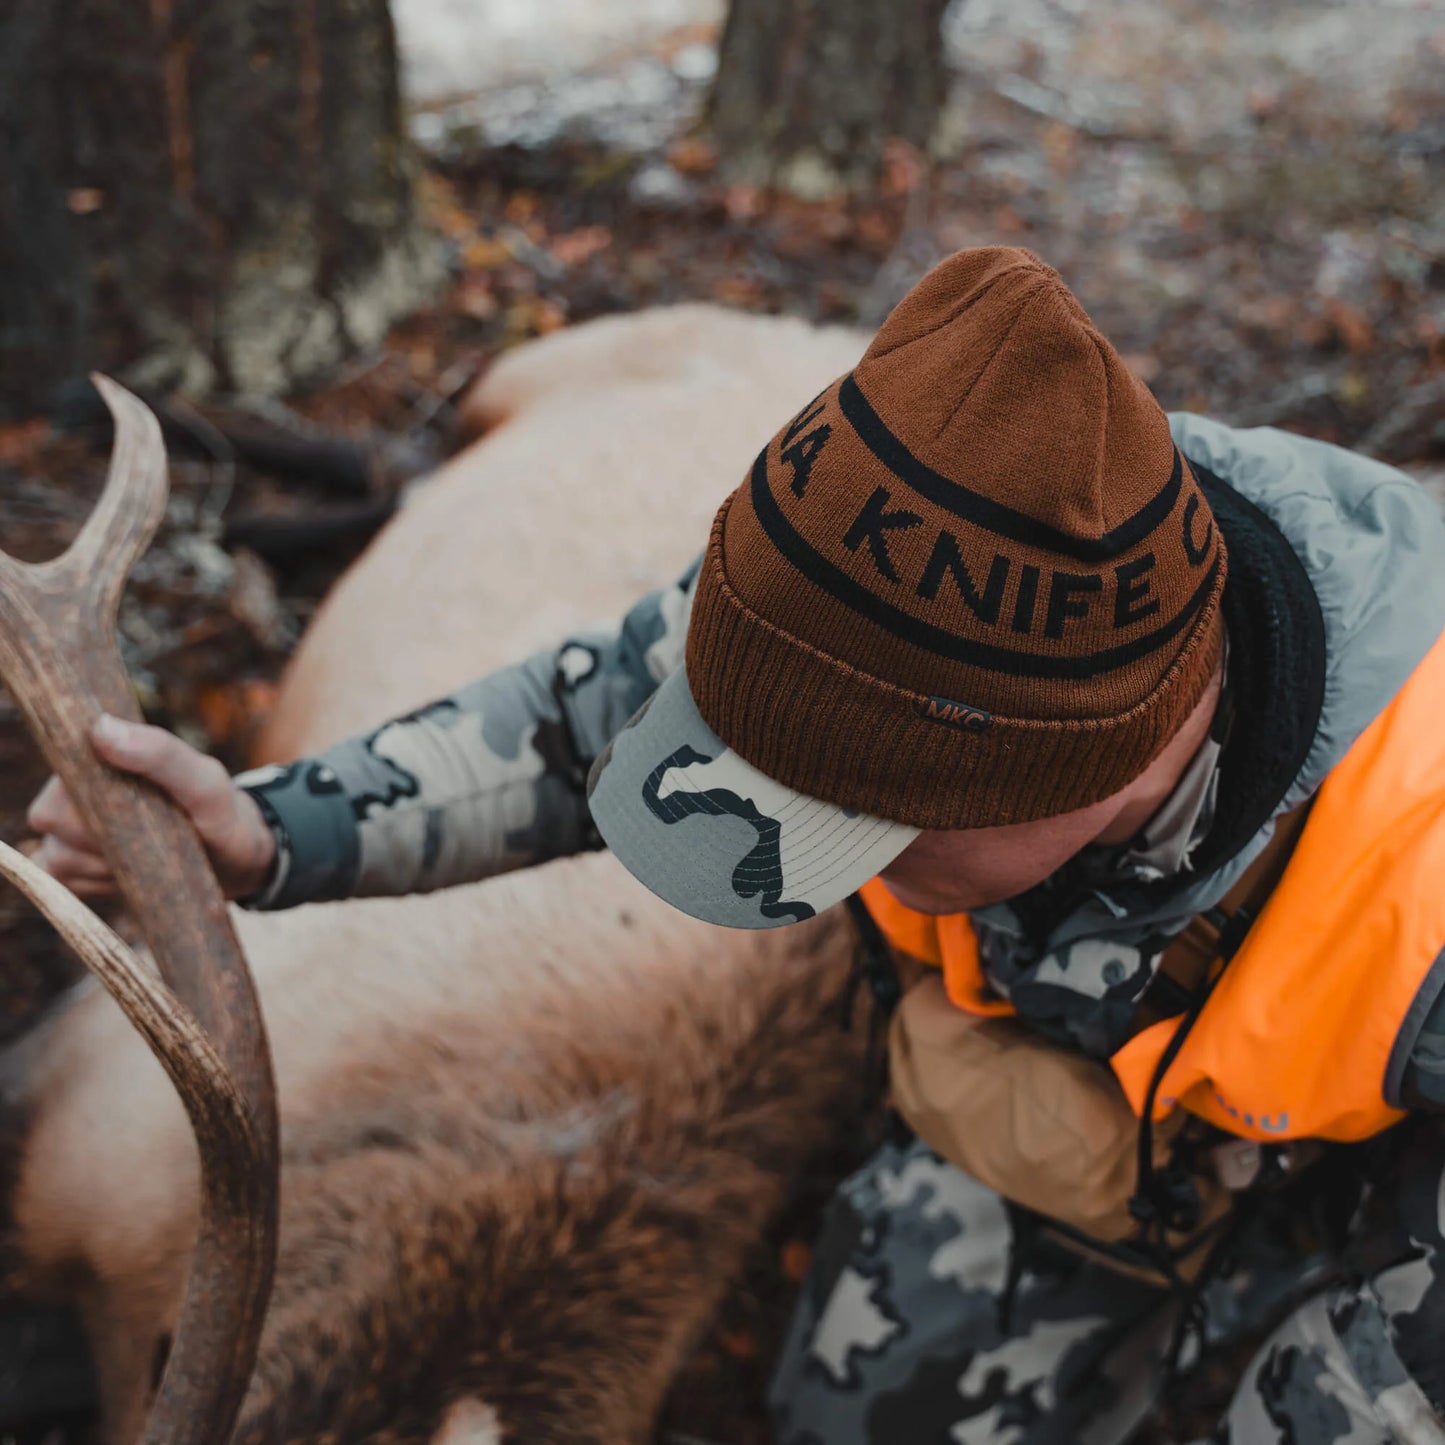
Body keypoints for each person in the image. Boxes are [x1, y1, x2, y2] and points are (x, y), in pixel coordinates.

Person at [30, 248, 1445, 1443]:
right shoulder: (939, 549)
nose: (806, 874)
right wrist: (271, 830)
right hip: (1075, 1114)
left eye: (859, 832)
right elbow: (585, 712)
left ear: (1100, 767)